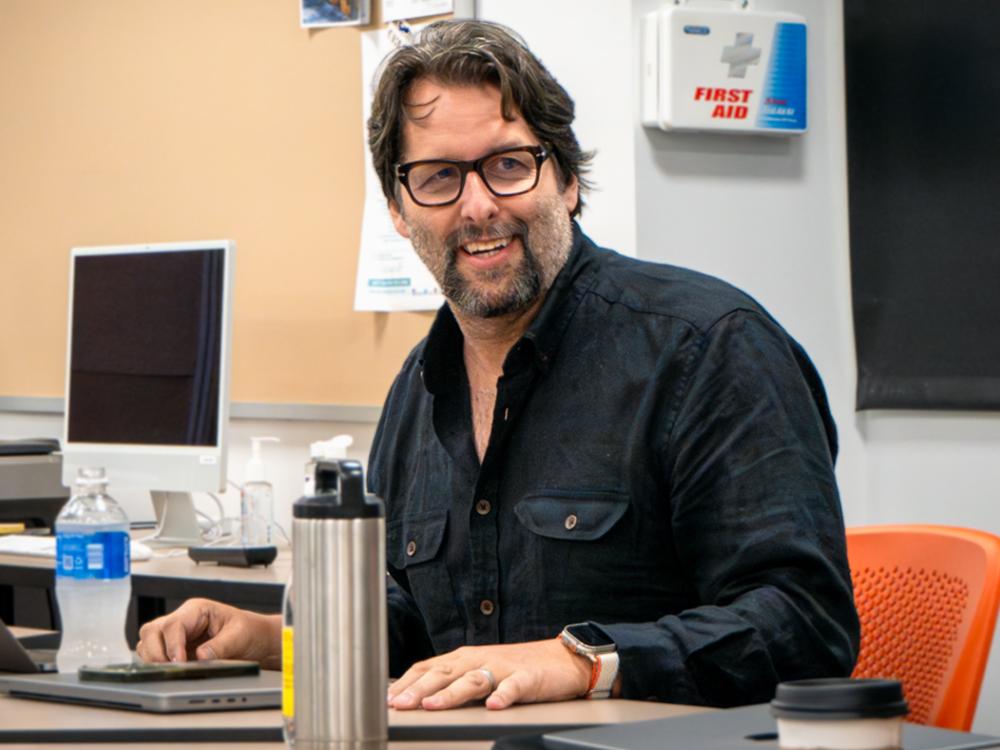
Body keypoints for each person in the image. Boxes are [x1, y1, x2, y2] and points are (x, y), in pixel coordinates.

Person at [137, 19, 859, 711]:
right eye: (439, 177)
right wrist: (276, 640)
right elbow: (426, 630)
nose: (477, 206)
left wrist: (582, 661)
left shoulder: (708, 350)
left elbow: (804, 625)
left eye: (509, 165)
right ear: (398, 208)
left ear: (567, 182)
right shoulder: (419, 388)